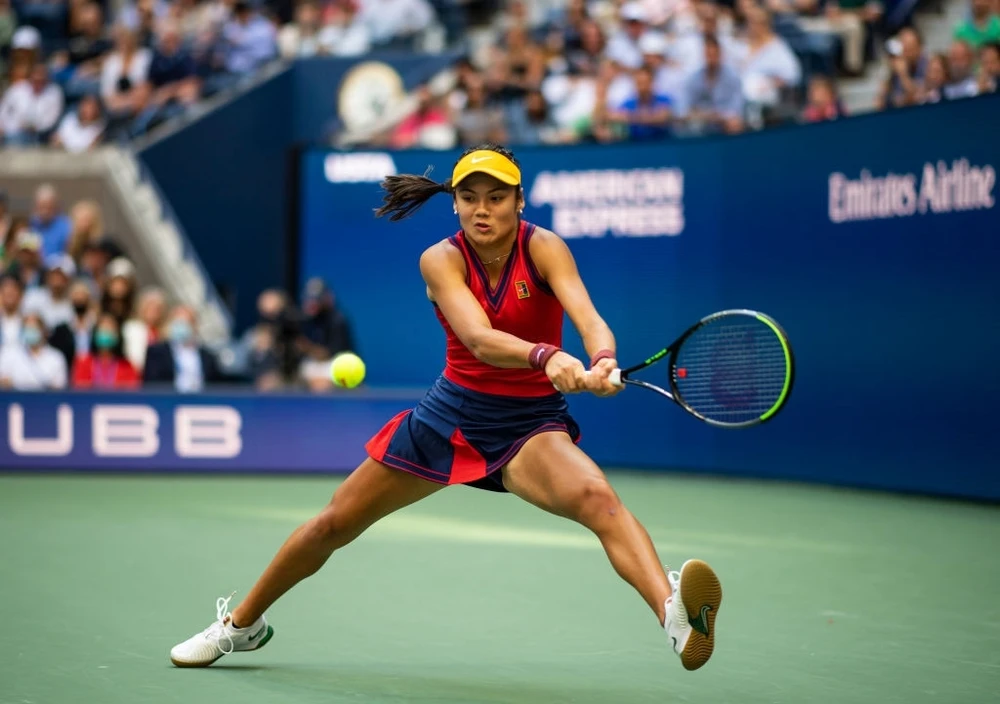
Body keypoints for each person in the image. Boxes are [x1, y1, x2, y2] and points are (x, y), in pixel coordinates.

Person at [168, 144, 722, 672]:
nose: (482, 209)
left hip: (529, 425)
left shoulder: (545, 247)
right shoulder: (440, 259)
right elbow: (479, 340)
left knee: (599, 500)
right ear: (454, 202)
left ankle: (673, 615)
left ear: (519, 200)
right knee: (334, 523)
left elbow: (590, 318)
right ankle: (240, 625)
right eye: (470, 197)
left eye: (496, 197)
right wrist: (546, 355)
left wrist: (602, 360)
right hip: (449, 420)